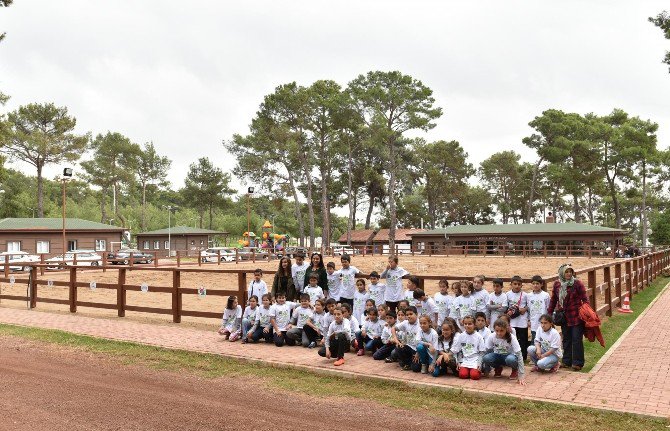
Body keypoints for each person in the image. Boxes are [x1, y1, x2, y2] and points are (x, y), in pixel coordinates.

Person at [547, 264, 588, 371]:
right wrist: (549, 313)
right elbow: (553, 300)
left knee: (576, 339)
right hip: (564, 317)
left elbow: (585, 299)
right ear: (562, 273)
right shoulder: (557, 284)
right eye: (567, 272)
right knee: (566, 339)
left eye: (570, 271)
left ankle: (578, 363)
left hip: (576, 316)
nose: (569, 274)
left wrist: (586, 312)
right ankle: (566, 361)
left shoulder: (578, 284)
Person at [482, 318, 526, 385]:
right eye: (497, 331)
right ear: (494, 329)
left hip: (509, 357)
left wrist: (521, 376)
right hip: (498, 356)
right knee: (486, 357)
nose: (499, 333)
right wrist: (486, 370)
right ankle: (498, 368)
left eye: (502, 331)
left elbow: (519, 355)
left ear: (506, 329)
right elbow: (487, 351)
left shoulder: (512, 337)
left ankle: (514, 369)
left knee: (510, 359)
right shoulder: (492, 336)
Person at [450, 315, 486, 380]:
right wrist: (459, 362)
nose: (467, 325)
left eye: (469, 324)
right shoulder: (461, 336)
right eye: (465, 324)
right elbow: (458, 350)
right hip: (465, 360)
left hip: (475, 359)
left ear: (474, 325)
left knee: (474, 376)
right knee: (462, 375)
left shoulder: (479, 337)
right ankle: (468, 370)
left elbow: (482, 352)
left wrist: (479, 364)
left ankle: (480, 369)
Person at [506, 275, 529, 361]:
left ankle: (523, 356)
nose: (517, 286)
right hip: (512, 321)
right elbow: (506, 306)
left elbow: (529, 305)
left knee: (523, 339)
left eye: (519, 284)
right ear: (511, 284)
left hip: (522, 321)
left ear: (522, 285)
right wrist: (508, 312)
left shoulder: (525, 295)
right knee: (512, 338)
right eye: (515, 284)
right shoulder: (507, 294)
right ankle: (512, 355)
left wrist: (524, 309)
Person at [391, 306, 421, 371]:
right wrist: (397, 341)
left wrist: (418, 353)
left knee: (416, 369)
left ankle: (412, 363)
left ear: (416, 314)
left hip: (418, 349)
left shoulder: (420, 324)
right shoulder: (405, 323)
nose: (409, 316)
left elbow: (423, 341)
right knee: (398, 347)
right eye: (407, 315)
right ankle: (407, 363)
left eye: (411, 314)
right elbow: (393, 329)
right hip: (409, 347)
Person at [527, 275, 550, 342]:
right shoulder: (529, 296)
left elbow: (548, 308)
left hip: (544, 322)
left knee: (544, 340)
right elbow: (528, 309)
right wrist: (529, 320)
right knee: (534, 340)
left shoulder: (545, 295)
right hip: (533, 322)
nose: (535, 285)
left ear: (541, 284)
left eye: (537, 283)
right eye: (533, 283)